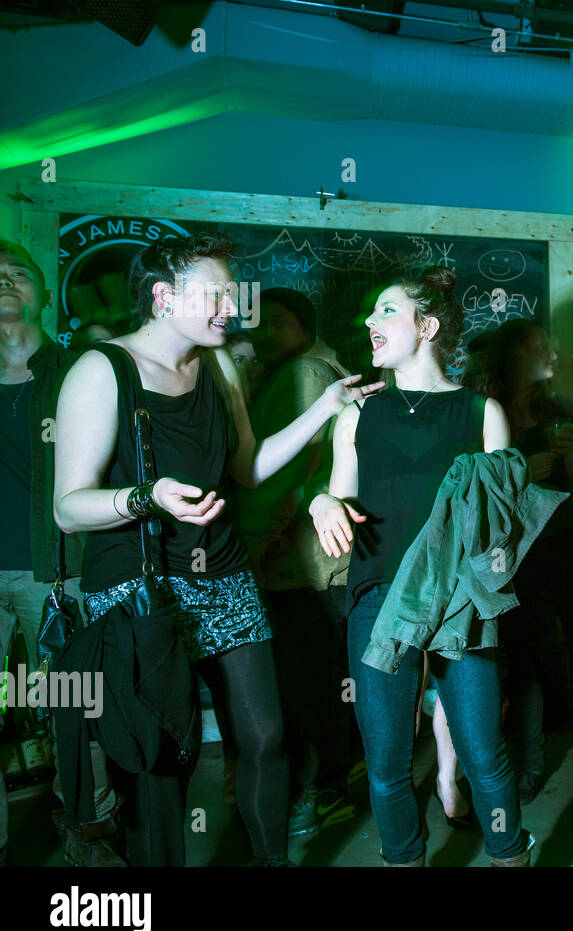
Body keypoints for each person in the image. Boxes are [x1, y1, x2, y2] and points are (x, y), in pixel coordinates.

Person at [52, 232, 379, 866]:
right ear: (162, 296)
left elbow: (250, 467)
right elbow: (69, 509)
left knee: (265, 734)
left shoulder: (219, 365)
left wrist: (328, 408)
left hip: (224, 573)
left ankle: (271, 862)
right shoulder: (101, 369)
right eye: (216, 292)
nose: (231, 304)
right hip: (137, 585)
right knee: (160, 755)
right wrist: (149, 496)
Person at [309, 266, 527, 867]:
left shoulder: (482, 412)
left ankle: (510, 855)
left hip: (461, 600)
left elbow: (502, 527)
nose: (369, 323)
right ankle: (404, 861)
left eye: (385, 311)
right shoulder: (356, 416)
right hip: (379, 596)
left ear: (426, 326)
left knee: (484, 754)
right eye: (371, 313)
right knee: (384, 764)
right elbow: (339, 494)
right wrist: (322, 501)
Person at [0, 240, 121, 866]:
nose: (2, 282)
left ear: (45, 294)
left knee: (74, 712)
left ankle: (89, 839)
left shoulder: (83, 369)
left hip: (61, 574)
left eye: (16, 273)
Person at [240, 287, 357, 837]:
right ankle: (332, 785)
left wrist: (253, 543)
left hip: (301, 564)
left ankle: (319, 795)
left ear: (304, 328)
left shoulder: (305, 372)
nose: (263, 335)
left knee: (305, 687)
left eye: (276, 325)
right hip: (316, 562)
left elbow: (291, 473)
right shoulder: (304, 368)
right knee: (324, 683)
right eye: (256, 326)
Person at [483, 318, 573, 799]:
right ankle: (531, 765)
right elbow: (474, 490)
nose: (553, 355)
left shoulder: (560, 408)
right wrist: (521, 476)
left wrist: (572, 456)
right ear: (515, 355)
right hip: (518, 551)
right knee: (526, 658)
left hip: (568, 541)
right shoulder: (489, 412)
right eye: (541, 348)